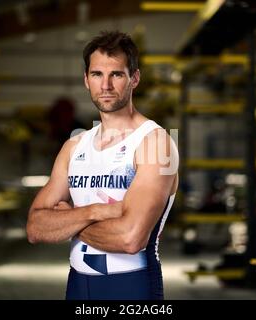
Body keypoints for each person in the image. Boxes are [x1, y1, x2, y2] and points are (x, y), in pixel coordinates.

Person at [26, 31, 179, 300]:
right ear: (86, 80)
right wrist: (97, 211)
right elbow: (36, 228)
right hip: (77, 285)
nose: (105, 85)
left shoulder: (156, 143)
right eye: (97, 74)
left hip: (131, 286)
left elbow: (130, 239)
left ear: (135, 78)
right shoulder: (74, 146)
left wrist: (67, 220)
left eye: (116, 74)